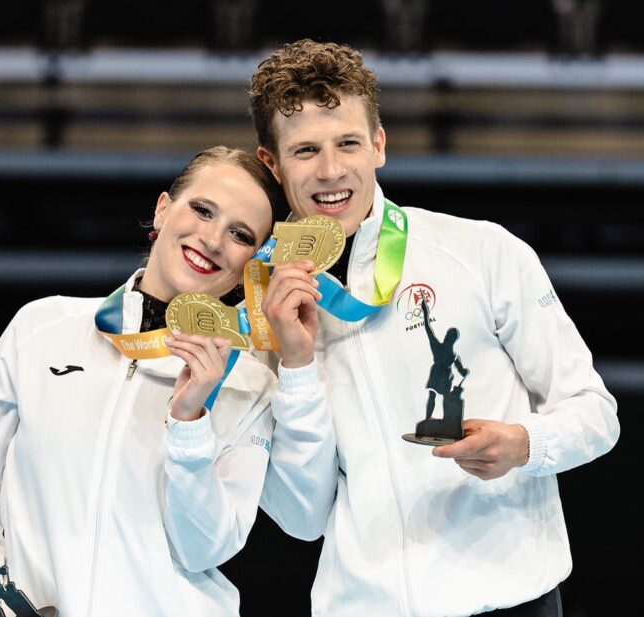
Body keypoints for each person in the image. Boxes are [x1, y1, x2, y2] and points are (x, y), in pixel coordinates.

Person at [251, 40, 620, 617]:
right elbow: (301, 519)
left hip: (511, 599)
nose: (330, 170)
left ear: (379, 143)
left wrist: (525, 445)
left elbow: (595, 412)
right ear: (272, 163)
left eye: (347, 142)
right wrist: (295, 365)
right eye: (304, 150)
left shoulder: (481, 250)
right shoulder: (263, 306)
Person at [0, 146, 322, 617]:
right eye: (202, 210)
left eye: (239, 234)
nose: (213, 239)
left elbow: (204, 549)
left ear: (251, 263)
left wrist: (190, 421)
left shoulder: (248, 385)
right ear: (163, 208)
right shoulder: (41, 327)